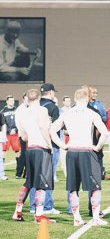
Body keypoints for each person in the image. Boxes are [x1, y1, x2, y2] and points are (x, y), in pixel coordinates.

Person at [49, 88, 109, 226]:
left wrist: (62, 145)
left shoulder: (67, 113)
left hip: (72, 151)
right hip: (87, 150)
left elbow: (52, 130)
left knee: (73, 187)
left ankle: (77, 218)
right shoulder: (91, 113)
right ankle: (95, 218)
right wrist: (98, 147)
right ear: (88, 98)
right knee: (95, 187)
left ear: (75, 99)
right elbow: (105, 133)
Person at [12, 89, 55, 224]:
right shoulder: (42, 110)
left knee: (29, 182)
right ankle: (39, 215)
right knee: (41, 183)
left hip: (30, 148)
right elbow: (43, 127)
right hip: (41, 148)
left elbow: (23, 136)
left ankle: (17, 211)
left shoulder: (23, 112)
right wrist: (50, 145)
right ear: (39, 97)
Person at [28, 83, 60, 215]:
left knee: (33, 177)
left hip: (32, 144)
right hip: (47, 145)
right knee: (46, 177)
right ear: (51, 92)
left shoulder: (34, 106)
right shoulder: (52, 107)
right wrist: (52, 145)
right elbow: (54, 128)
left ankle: (32, 206)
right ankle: (46, 206)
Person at [1, 95, 21, 174]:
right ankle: (2, 168)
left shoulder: (17, 110)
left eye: (13, 101)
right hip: (6, 134)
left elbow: (19, 121)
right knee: (3, 150)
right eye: (10, 101)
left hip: (15, 134)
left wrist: (15, 130)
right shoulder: (3, 111)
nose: (12, 102)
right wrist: (9, 130)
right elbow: (2, 123)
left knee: (17, 150)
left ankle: (18, 168)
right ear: (7, 101)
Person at [0, 111, 7, 180]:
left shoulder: (0, 114)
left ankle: (1, 174)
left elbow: (3, 125)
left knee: (0, 158)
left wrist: (4, 136)